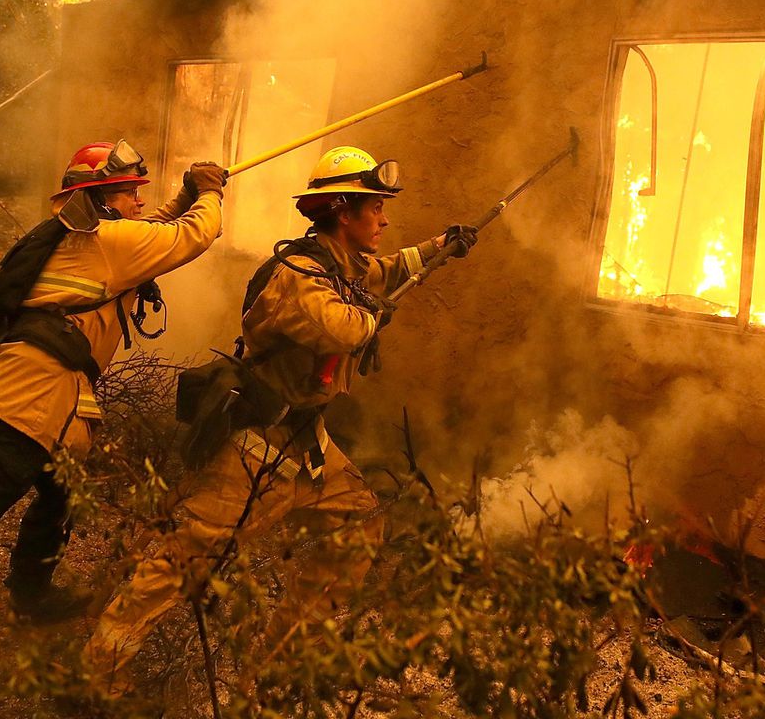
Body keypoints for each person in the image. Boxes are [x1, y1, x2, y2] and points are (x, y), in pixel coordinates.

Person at [82, 145, 477, 694]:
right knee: (185, 562)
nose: (385, 219)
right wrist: (373, 315)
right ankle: (97, 672)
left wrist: (439, 248)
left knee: (360, 525)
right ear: (343, 210)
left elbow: (383, 275)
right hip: (254, 450)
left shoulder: (343, 262)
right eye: (376, 208)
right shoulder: (298, 274)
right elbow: (343, 327)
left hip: (305, 445)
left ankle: (277, 660)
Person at [0, 140, 227, 716]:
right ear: (100, 199)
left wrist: (183, 195)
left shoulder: (87, 237)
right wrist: (208, 194)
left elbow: (151, 231)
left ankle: (31, 595)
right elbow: (186, 238)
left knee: (59, 495)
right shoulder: (105, 242)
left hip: (42, 409)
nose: (138, 200)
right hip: (22, 411)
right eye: (128, 192)